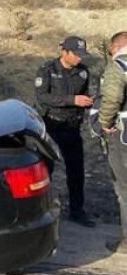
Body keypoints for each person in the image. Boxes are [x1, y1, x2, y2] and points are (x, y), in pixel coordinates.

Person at [35, 36, 98, 227]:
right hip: (51, 126)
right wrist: (72, 100)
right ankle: (42, 211)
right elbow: (42, 97)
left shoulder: (83, 72)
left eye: (82, 55)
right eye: (76, 54)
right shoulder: (47, 70)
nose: (80, 58)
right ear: (65, 52)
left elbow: (83, 95)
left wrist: (87, 102)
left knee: (76, 170)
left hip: (72, 127)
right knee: (46, 170)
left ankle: (77, 210)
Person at [97, 31, 127, 252]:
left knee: (124, 188)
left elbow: (112, 99)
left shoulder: (119, 66)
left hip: (123, 137)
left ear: (115, 47)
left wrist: (105, 123)